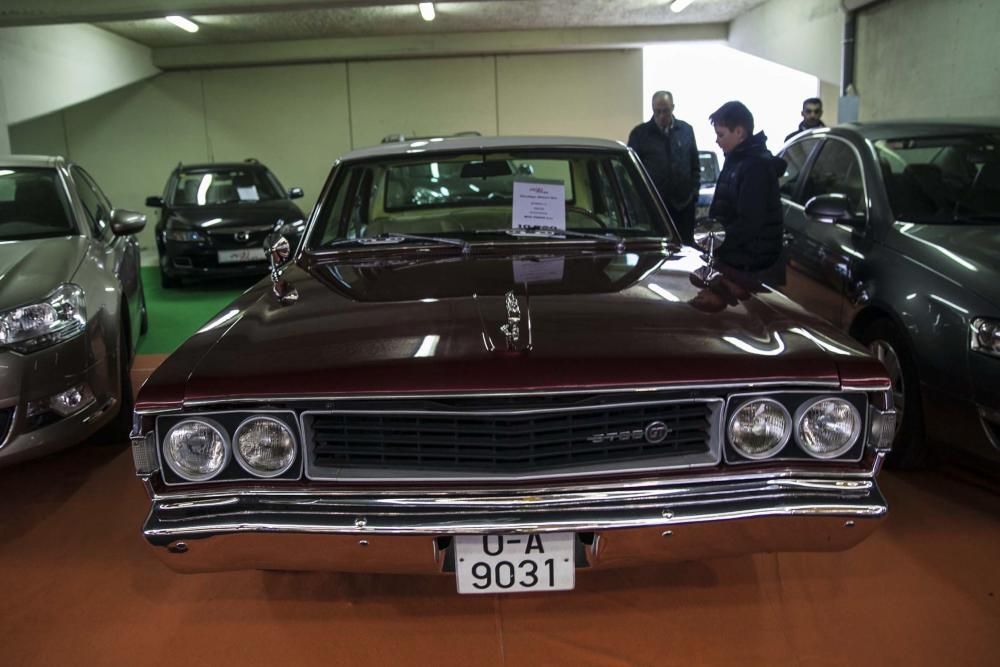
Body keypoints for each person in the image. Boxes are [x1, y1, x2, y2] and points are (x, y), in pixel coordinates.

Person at [707, 101, 787, 274]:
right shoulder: (736, 160)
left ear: (739, 132)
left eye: (721, 135)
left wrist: (717, 242)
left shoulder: (755, 167)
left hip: (750, 264)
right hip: (738, 258)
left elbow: (749, 223)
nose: (717, 141)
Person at [628, 91, 701, 244]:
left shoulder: (686, 131)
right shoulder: (640, 134)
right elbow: (630, 172)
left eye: (666, 111)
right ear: (652, 109)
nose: (662, 116)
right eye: (657, 111)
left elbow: (695, 165)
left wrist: (694, 193)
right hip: (653, 209)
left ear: (673, 107)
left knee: (685, 250)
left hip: (683, 206)